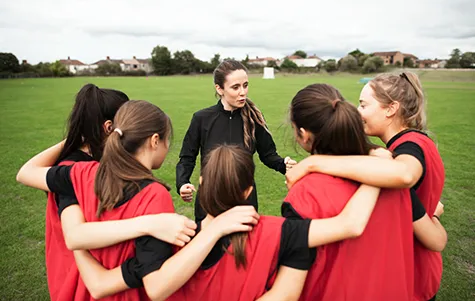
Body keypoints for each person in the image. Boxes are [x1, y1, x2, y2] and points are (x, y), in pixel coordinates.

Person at [52, 144, 382, 301]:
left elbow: (129, 287)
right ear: (249, 189)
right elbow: (351, 224)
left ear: (201, 181)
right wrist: (378, 171)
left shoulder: (173, 235)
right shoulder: (283, 232)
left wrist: (75, 238)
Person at [17, 100, 258, 301]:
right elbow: (156, 287)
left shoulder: (81, 172)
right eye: (166, 141)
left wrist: (78, 136)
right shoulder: (154, 196)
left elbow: (26, 172)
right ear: (155, 140)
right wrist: (210, 230)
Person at [286, 73, 445, 301]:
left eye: (363, 105)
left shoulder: (407, 152)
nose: (357, 112)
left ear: (391, 109)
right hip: (399, 270)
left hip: (409, 269)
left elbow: (404, 174)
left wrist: (314, 162)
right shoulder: (398, 151)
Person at [176, 59, 296, 222]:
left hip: (244, 202)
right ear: (219, 89)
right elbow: (187, 158)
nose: (243, 92)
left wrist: (284, 165)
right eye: (235, 87)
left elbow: (268, 155)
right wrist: (182, 183)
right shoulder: (201, 119)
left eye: (245, 85)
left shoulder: (254, 119)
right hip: (209, 202)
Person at [44, 83, 129, 300]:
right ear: (109, 127)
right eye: (128, 124)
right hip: (82, 280)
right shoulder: (73, 170)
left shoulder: (97, 159)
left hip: (95, 274)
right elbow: (75, 235)